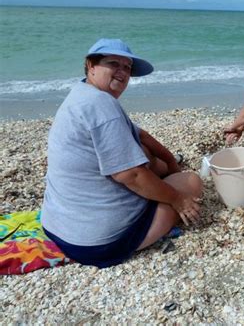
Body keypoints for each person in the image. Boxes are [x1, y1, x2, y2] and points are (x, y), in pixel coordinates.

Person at [41, 38, 203, 268]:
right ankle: (152, 216)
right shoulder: (102, 106)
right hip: (97, 244)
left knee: (146, 153)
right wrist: (178, 199)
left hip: (57, 227)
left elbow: (143, 136)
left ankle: (161, 186)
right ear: (91, 65)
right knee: (191, 181)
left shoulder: (82, 94)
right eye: (113, 63)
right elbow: (131, 176)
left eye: (127, 67)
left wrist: (170, 162)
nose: (122, 72)